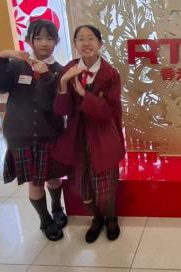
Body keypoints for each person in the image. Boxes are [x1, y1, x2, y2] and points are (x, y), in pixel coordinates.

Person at [0, 19, 67, 241]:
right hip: (21, 136)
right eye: (38, 38)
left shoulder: (59, 71)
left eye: (49, 38)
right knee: (35, 183)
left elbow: (51, 105)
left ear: (56, 41)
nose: (44, 43)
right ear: (29, 41)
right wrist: (1, 57)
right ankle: (45, 220)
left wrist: (46, 76)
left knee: (54, 178)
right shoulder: (16, 66)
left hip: (51, 135)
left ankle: (57, 208)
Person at [53, 25, 125, 243]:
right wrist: (64, 83)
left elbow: (107, 113)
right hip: (77, 138)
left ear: (100, 43)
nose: (86, 43)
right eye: (81, 39)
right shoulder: (69, 69)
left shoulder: (110, 74)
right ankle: (97, 219)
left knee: (105, 187)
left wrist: (84, 94)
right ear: (75, 44)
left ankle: (111, 218)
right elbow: (62, 110)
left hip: (103, 137)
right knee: (83, 187)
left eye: (91, 38)